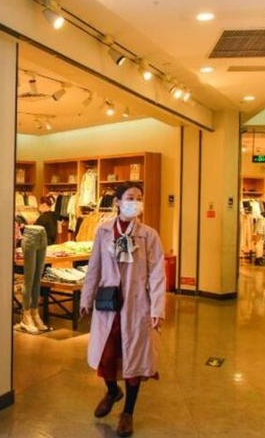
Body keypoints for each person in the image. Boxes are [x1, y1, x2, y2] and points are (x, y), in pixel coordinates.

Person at [79, 182, 166, 437]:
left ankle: (128, 412)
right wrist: (86, 297)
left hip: (136, 305)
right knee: (106, 356)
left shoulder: (149, 235)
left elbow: (157, 274)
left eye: (139, 197)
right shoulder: (103, 230)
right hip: (109, 304)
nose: (135, 202)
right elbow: (94, 266)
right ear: (117, 202)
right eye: (130, 197)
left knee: (133, 361)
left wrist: (157, 308)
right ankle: (112, 391)